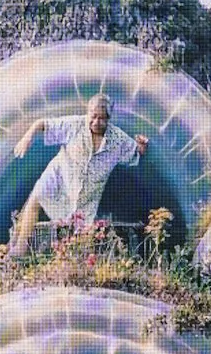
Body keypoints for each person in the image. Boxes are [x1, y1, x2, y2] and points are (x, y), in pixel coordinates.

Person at [9, 92, 148, 254]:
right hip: (61, 174)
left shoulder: (117, 138)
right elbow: (42, 123)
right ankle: (20, 246)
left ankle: (77, 263)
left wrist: (142, 145)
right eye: (93, 116)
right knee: (35, 198)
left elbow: (135, 152)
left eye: (102, 118)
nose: (96, 122)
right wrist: (27, 138)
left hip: (88, 192)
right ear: (88, 112)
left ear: (109, 119)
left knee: (81, 228)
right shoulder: (75, 125)